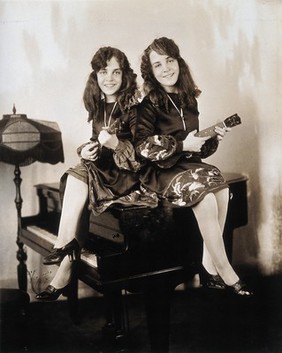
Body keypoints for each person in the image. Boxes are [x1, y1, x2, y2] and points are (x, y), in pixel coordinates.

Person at [36, 46, 157, 301]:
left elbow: (142, 155)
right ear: (96, 74)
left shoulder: (134, 107)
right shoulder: (98, 107)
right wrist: (89, 150)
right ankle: (66, 256)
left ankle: (63, 253)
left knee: (77, 176)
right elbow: (95, 140)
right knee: (78, 174)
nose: (109, 78)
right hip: (101, 171)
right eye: (104, 71)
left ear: (125, 76)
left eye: (116, 72)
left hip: (126, 176)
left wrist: (115, 145)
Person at [134, 37, 253, 296]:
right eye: (158, 65)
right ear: (151, 73)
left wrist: (212, 141)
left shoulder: (189, 100)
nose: (166, 68)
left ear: (178, 62)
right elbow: (141, 147)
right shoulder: (148, 105)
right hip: (158, 170)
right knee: (207, 199)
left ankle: (207, 266)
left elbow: (196, 147)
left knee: (221, 189)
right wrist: (181, 146)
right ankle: (225, 270)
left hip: (185, 164)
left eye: (169, 60)